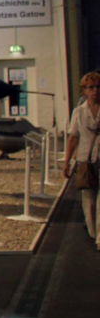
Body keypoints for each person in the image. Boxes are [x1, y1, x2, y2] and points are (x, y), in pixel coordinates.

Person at [63, 70, 100, 246]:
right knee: (89, 199)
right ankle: (93, 232)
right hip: (86, 159)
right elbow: (73, 137)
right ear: (84, 90)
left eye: (98, 87)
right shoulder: (79, 112)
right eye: (90, 87)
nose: (95, 90)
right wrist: (67, 162)